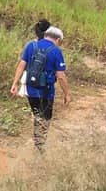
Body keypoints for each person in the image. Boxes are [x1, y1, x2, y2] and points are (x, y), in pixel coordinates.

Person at [9, 24, 69, 153]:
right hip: (46, 92)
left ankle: (38, 144)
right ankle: (40, 148)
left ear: (45, 35)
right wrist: (66, 94)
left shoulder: (31, 46)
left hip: (31, 90)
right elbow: (61, 76)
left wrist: (15, 84)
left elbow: (21, 65)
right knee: (45, 119)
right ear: (58, 40)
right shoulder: (56, 51)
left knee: (37, 115)